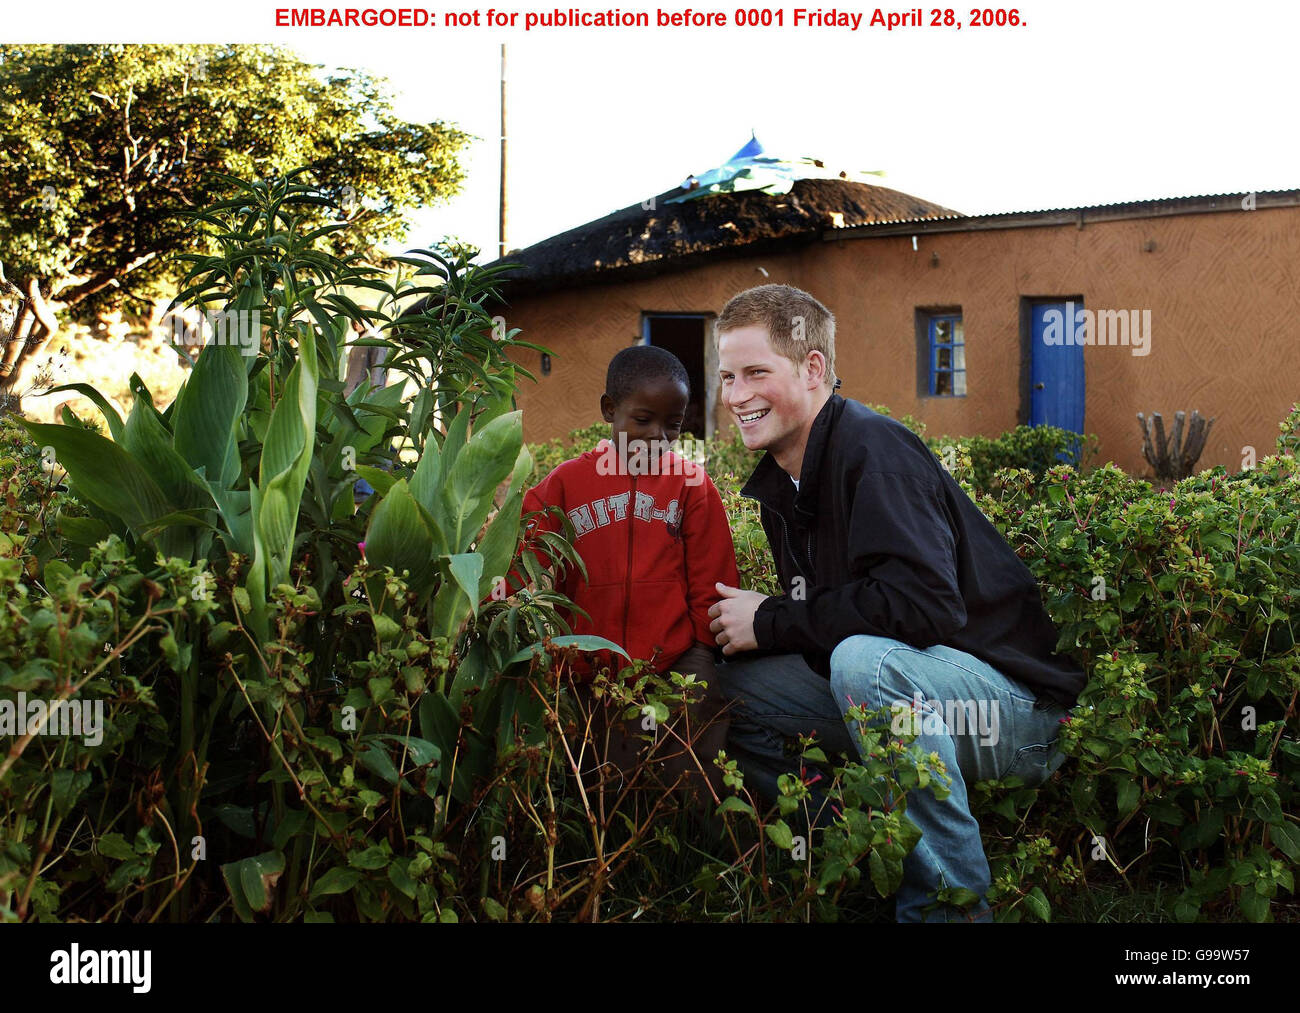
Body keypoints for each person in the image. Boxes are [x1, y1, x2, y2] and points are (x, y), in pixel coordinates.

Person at [705, 284, 1087, 922]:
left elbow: (923, 607)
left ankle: (950, 911)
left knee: (864, 663)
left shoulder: (873, 450)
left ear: (813, 368)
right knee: (726, 688)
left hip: (1020, 715)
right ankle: (860, 854)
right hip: (927, 691)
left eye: (755, 373)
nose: (736, 395)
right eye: (725, 376)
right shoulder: (786, 476)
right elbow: (850, 610)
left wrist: (772, 619)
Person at [516, 345, 740, 815]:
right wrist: (560, 651)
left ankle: (704, 857)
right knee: (595, 781)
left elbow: (712, 579)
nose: (657, 436)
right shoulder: (562, 486)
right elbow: (532, 569)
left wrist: (698, 650)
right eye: (642, 420)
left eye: (673, 424)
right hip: (583, 668)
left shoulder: (692, 486)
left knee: (693, 768)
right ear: (608, 410)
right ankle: (610, 858)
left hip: (675, 661)